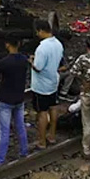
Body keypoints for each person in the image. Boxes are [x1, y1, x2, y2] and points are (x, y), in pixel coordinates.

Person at [0, 37, 29, 169]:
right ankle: (24, 152)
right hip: (19, 98)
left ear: (7, 45)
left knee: (4, 131)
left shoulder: (4, 62)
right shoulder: (24, 60)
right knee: (20, 126)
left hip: (5, 99)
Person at [29, 19, 64, 150]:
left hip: (41, 85)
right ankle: (52, 135)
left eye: (38, 32)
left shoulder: (42, 47)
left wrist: (31, 61)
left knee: (42, 112)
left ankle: (42, 141)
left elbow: (38, 67)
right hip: (53, 81)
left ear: (42, 31)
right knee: (53, 108)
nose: (37, 34)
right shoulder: (58, 44)